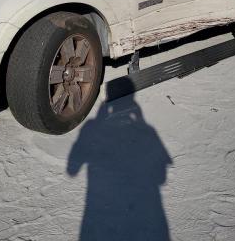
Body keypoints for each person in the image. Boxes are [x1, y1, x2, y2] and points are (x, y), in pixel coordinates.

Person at [67, 79, 172, 240]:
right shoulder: (147, 131)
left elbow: (72, 170)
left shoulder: (91, 128)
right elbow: (161, 177)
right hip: (142, 211)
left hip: (100, 209)